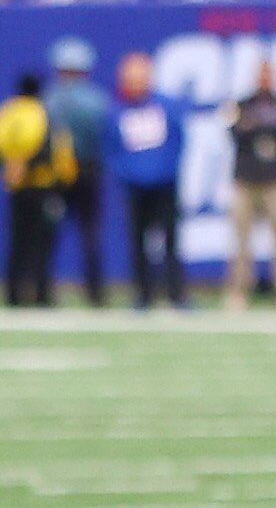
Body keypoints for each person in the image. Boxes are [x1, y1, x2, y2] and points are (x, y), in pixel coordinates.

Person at [103, 53, 188, 310]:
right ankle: (143, 294)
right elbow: (111, 149)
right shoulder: (117, 111)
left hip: (164, 186)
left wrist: (165, 171)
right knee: (138, 243)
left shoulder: (165, 106)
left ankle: (176, 295)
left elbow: (178, 140)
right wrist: (128, 174)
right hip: (135, 188)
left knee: (171, 242)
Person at [224, 61, 276, 309]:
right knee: (241, 241)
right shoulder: (243, 103)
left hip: (272, 182)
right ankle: (238, 291)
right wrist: (253, 125)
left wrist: (252, 124)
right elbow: (234, 131)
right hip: (245, 180)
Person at [42, 39, 108, 306]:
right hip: (87, 171)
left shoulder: (50, 99)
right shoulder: (96, 100)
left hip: (59, 174)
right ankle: (95, 294)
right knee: (88, 232)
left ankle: (43, 292)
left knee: (51, 232)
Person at [0, 72, 65, 307]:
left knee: (18, 241)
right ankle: (41, 293)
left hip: (17, 187)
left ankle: (14, 294)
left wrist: (12, 168)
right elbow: (48, 147)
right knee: (42, 242)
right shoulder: (42, 112)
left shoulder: (9, 112)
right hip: (41, 185)